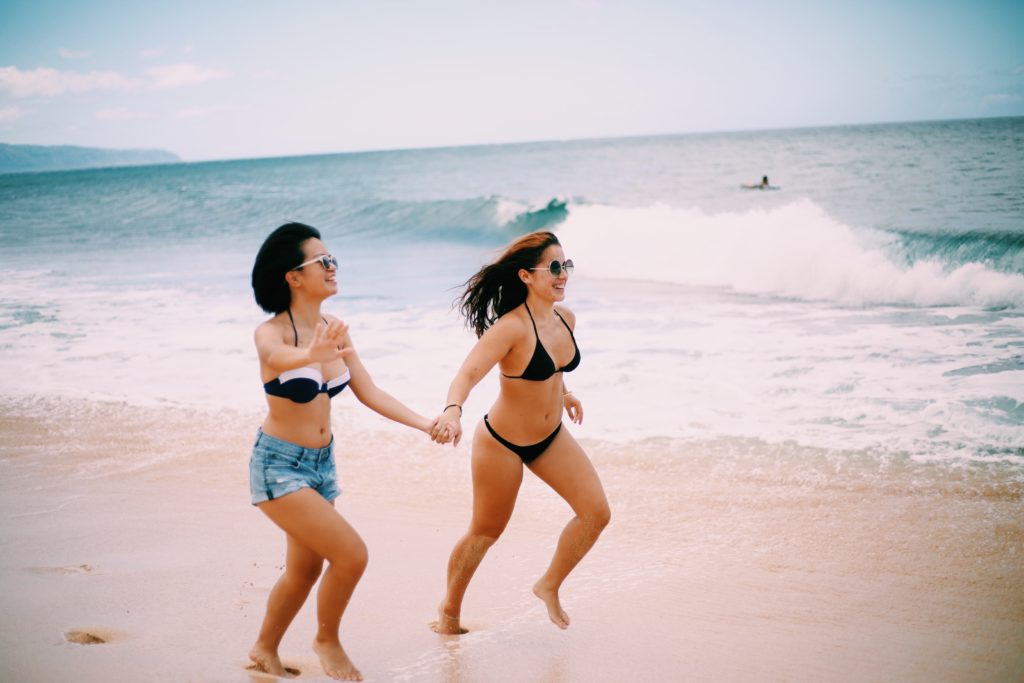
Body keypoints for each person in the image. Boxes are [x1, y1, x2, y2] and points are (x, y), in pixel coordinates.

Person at [248, 222, 438, 681]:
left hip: (320, 465)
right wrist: (312, 353)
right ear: (294, 276)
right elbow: (277, 361)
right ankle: (327, 641)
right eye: (324, 261)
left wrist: (426, 423)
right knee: (352, 555)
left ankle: (263, 649)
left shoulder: (333, 329)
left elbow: (369, 391)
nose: (334, 268)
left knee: (304, 570)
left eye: (334, 260)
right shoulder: (270, 333)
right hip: (279, 467)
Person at [429, 230, 611, 635]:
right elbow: (467, 374)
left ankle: (548, 584)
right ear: (527, 276)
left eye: (567, 266)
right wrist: (453, 413)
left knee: (596, 513)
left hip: (550, 438)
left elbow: (551, 368)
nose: (563, 275)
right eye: (554, 267)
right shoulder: (510, 328)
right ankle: (449, 611)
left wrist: (564, 393)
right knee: (485, 532)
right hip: (502, 443)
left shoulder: (567, 318)